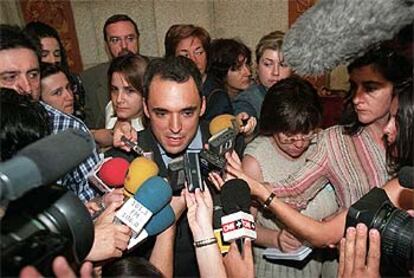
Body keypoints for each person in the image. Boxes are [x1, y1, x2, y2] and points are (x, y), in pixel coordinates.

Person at [211, 49, 413, 249]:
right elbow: (294, 190)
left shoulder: (406, 142)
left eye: (370, 88)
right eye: (354, 86)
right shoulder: (335, 140)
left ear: (397, 88)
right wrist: (247, 185)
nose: (357, 98)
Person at [241, 77, 338, 277]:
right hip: (275, 269)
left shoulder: (323, 144)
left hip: (321, 264)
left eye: (306, 133)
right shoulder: (255, 161)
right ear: (273, 124)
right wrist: (275, 238)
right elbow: (242, 224)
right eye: (289, 135)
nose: (299, 143)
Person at [0, 24, 100, 203]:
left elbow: (91, 198)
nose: (26, 87)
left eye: (32, 75)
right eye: (10, 77)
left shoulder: (68, 128)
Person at [81, 14, 141, 129]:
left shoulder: (158, 69)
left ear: (138, 39)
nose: (124, 46)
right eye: (115, 40)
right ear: (106, 45)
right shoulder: (88, 80)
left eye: (130, 39)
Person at [24, 21, 86, 120]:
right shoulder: (26, 88)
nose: (53, 60)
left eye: (57, 54)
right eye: (44, 55)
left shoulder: (73, 81)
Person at [233, 31, 292, 120]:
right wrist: (247, 123)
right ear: (257, 67)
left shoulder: (303, 94)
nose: (275, 72)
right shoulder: (247, 100)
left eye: (283, 65)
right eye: (268, 64)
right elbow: (244, 114)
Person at [93, 53, 148, 148]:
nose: (119, 99)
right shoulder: (110, 108)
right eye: (114, 89)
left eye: (129, 91)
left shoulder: (152, 128)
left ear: (145, 92)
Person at [203, 38, 252, 121]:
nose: (248, 73)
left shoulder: (253, 93)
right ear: (222, 71)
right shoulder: (217, 102)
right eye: (237, 68)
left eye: (247, 64)